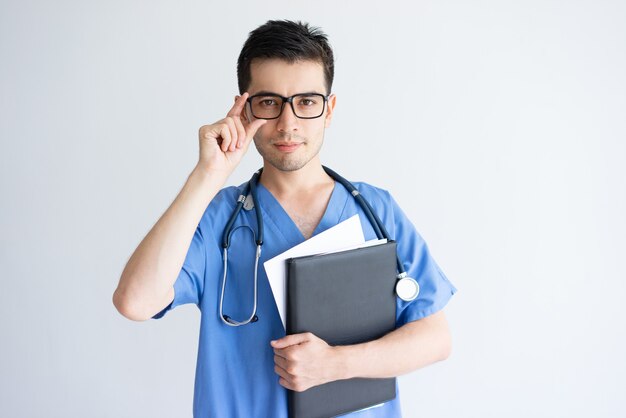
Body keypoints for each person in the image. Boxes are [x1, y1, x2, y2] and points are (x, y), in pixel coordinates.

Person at [113, 19, 457, 418]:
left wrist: (335, 363)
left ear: (329, 110)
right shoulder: (216, 218)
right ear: (245, 108)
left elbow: (435, 338)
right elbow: (135, 301)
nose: (287, 122)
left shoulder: (376, 210)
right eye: (269, 102)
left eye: (306, 101)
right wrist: (208, 175)